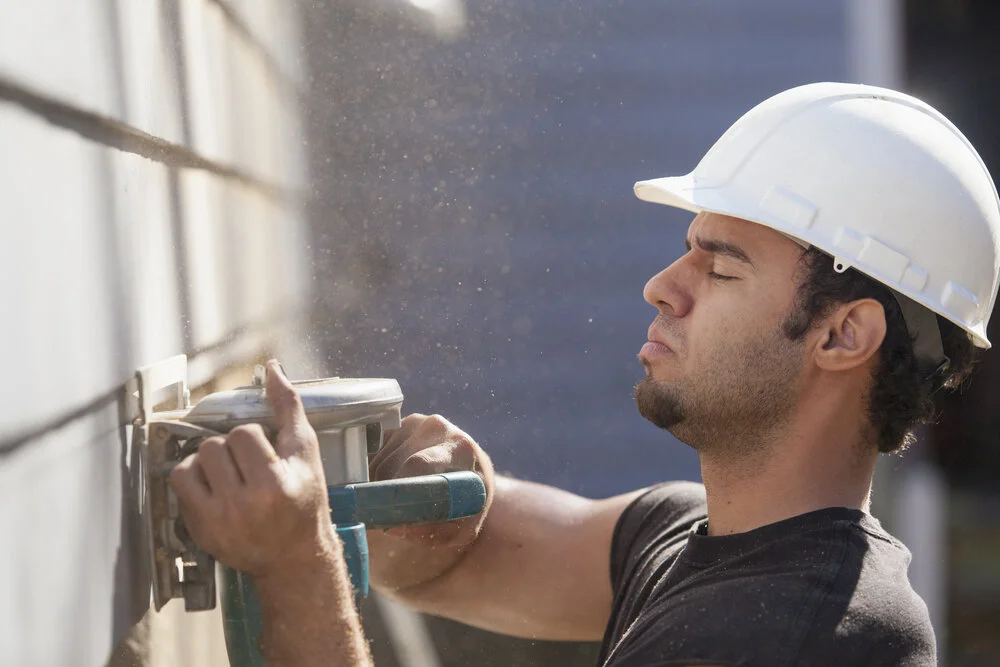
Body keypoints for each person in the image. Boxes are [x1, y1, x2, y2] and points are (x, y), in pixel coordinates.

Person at [170, 83, 1000, 666]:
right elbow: (452, 564)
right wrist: (438, 501)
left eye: (721, 267)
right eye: (687, 250)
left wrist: (295, 569)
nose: (662, 286)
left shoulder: (806, 637)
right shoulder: (687, 536)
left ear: (843, 334)